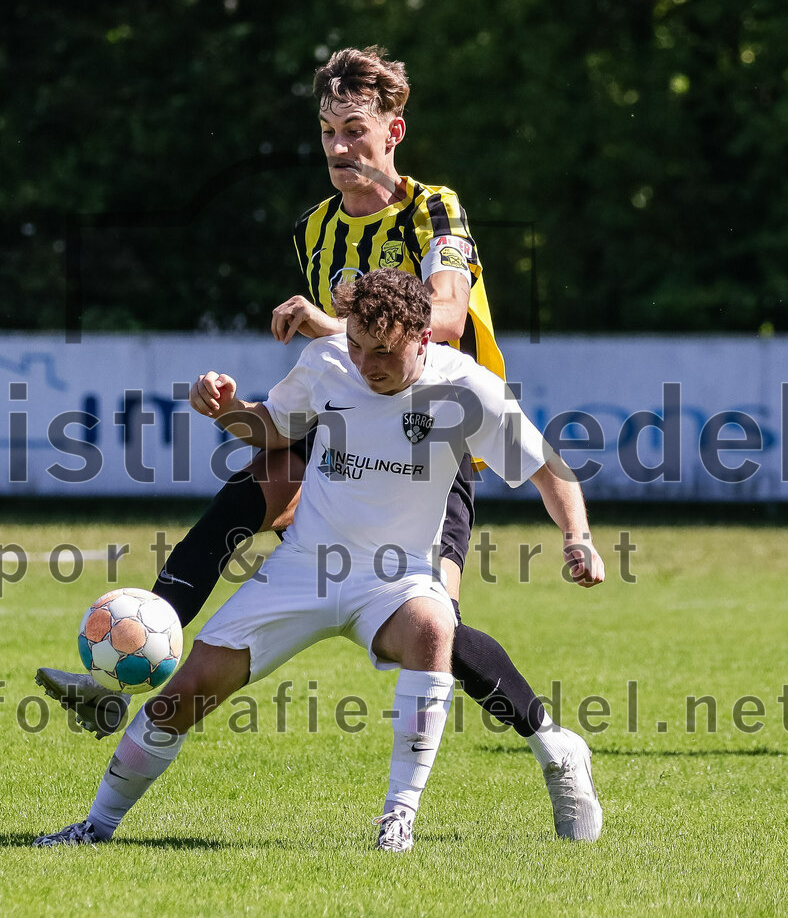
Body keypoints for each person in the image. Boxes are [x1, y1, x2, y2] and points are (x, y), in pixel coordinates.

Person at [36, 46, 597, 840]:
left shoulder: (433, 209)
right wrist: (242, 404)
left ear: (393, 129)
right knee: (254, 481)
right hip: (348, 425)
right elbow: (337, 368)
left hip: (439, 444)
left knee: (436, 632)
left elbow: (438, 322)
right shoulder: (315, 229)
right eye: (327, 131)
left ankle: (553, 743)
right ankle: (140, 657)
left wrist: (333, 327)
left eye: (355, 131)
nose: (339, 148)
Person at [33, 270, 604, 852]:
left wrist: (577, 537)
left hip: (398, 576)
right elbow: (272, 429)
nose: (365, 363)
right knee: (185, 692)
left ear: (423, 339)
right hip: (303, 566)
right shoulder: (328, 359)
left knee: (436, 627)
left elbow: (545, 465)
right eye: (356, 345)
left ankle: (397, 823)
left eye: (383, 352)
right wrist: (224, 409)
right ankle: (94, 828)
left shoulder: (468, 390)